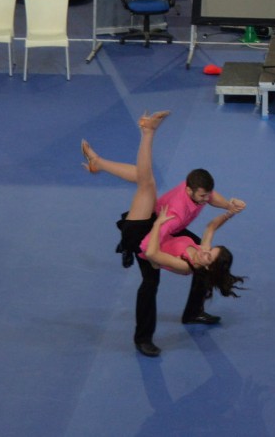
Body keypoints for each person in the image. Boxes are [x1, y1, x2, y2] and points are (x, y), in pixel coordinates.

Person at [82, 113, 246, 358]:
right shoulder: (178, 214)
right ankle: (143, 338)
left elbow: (212, 201)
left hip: (164, 227)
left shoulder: (198, 192)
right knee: (150, 282)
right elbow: (148, 248)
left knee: (203, 260)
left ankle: (193, 312)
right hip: (143, 233)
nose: (207, 199)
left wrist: (228, 206)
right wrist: (157, 242)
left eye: (207, 195)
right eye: (203, 196)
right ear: (189, 190)